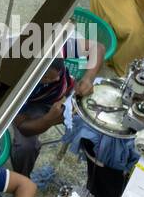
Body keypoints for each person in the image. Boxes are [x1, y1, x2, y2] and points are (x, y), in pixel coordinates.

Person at [9, 45, 98, 176]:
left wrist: (88, 78)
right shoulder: (18, 87)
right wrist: (48, 120)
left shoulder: (57, 48)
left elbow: (97, 48)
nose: (56, 79)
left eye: (59, 73)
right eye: (47, 78)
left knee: (95, 121)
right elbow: (23, 126)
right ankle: (22, 178)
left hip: (66, 92)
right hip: (32, 106)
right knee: (26, 148)